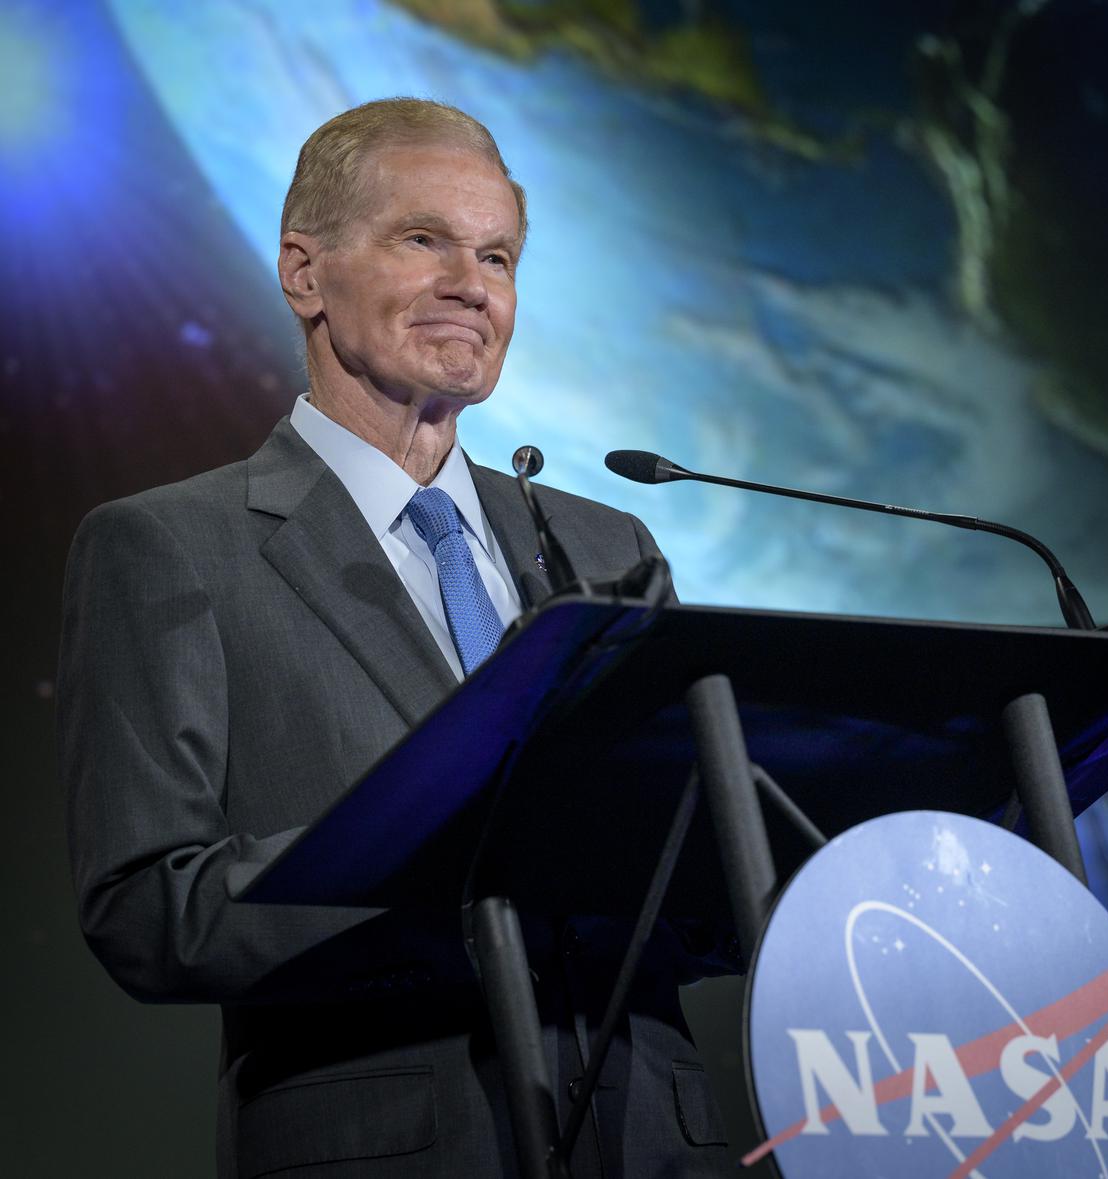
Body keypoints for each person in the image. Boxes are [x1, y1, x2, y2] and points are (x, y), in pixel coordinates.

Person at [59, 98, 732, 1177]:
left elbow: (694, 867)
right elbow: (149, 910)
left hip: (654, 1140)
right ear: (304, 274)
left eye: (498, 255)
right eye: (424, 239)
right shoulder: (169, 548)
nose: (473, 284)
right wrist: (449, 869)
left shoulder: (609, 550)